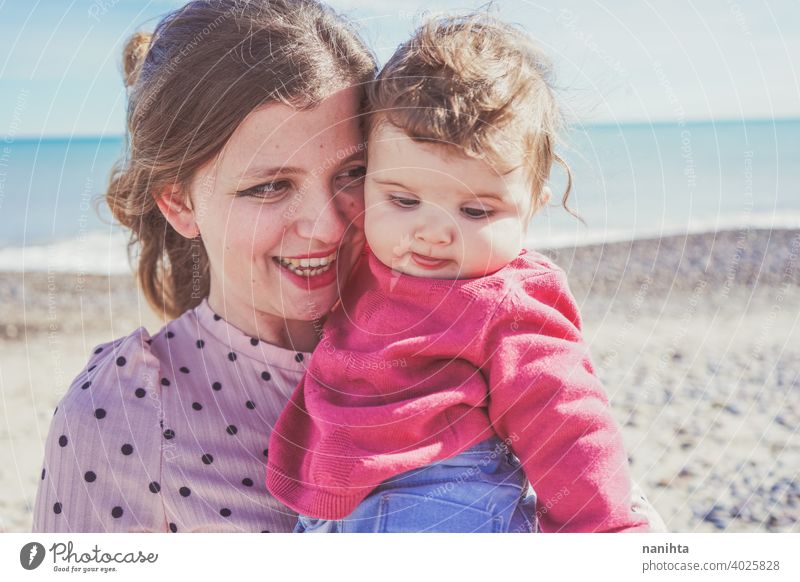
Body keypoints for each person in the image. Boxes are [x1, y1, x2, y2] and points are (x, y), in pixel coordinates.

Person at [266, 13, 655, 533]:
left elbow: (563, 417)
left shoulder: (507, 299)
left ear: (532, 208)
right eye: (403, 199)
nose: (432, 232)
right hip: (331, 506)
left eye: (475, 212)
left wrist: (604, 529)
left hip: (446, 503)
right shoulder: (368, 251)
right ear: (369, 179)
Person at [32, 0, 376, 533]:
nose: (327, 226)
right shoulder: (120, 416)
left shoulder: (459, 347)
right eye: (270, 186)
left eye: (353, 172)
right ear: (180, 204)